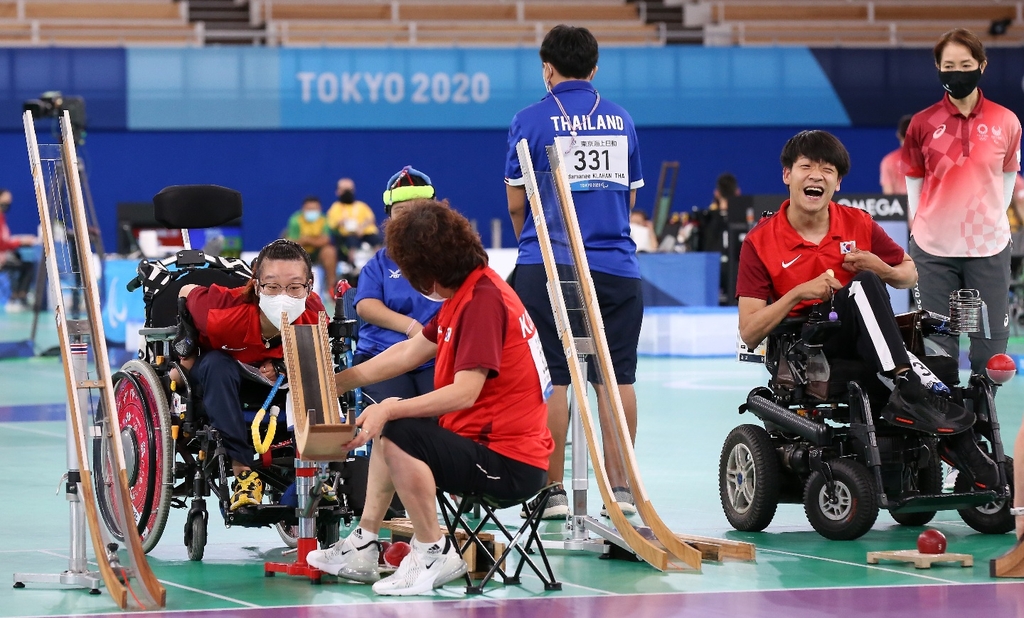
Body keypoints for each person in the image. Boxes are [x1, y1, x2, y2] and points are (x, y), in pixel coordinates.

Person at [306, 201, 553, 596]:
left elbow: (464, 392)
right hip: (486, 449)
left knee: (399, 430)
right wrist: (336, 382)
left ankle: (433, 550)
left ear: (426, 275)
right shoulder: (468, 292)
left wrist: (388, 406)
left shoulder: (483, 303)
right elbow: (408, 352)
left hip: (508, 464)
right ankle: (366, 545)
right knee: (395, 427)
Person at [736, 130, 999, 491]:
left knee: (872, 287)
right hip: (810, 345)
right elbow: (749, 332)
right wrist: (798, 293)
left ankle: (965, 450)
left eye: (827, 170)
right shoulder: (759, 241)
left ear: (838, 182)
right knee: (862, 284)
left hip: (873, 341)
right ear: (787, 175)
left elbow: (908, 275)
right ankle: (907, 384)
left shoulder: (858, 222)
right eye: (806, 167)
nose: (816, 175)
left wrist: (884, 268)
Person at [504, 24, 644, 519]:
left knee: (554, 379)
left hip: (548, 265)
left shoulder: (530, 119)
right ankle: (623, 492)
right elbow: (628, 198)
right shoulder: (621, 120)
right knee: (615, 378)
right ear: (595, 67)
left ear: (547, 68)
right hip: (616, 268)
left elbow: (517, 202)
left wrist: (535, 243)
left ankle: (552, 493)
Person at [902, 28, 1023, 375]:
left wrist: (992, 219)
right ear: (938, 68)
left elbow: (1007, 175)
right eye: (948, 65)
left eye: (965, 64)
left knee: (991, 357)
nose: (956, 72)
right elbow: (914, 178)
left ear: (982, 65)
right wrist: (920, 224)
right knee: (937, 353)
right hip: (934, 249)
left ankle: (984, 419)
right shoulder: (923, 124)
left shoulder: (1006, 121)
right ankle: (944, 424)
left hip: (988, 247)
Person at [175, 239, 326, 510]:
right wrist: (186, 343)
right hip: (221, 379)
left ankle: (315, 471)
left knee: (314, 368)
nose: (284, 295)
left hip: (273, 387)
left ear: (309, 285)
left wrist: (280, 366)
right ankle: (243, 473)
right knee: (216, 364)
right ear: (257, 285)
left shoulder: (313, 314)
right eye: (272, 286)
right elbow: (186, 289)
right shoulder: (221, 311)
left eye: (294, 287)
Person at [353, 166, 443, 404]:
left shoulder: (450, 258)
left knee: (445, 417)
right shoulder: (379, 263)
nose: (410, 218)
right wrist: (412, 327)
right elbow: (365, 305)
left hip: (437, 356)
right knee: (396, 422)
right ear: (389, 217)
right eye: (401, 211)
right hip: (383, 354)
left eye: (419, 210)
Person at [284, 196, 338, 296]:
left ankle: (332, 289)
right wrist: (315, 240)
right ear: (303, 209)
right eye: (309, 209)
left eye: (315, 209)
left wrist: (307, 239)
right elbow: (292, 242)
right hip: (301, 253)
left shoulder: (324, 220)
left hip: (318, 253)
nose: (312, 212)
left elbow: (326, 240)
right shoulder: (295, 220)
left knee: (330, 252)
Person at [0, 189, 39, 313]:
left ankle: (18, 297)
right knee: (25, 266)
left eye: (9, 201)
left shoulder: (2, 217)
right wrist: (21, 241)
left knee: (23, 262)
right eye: (5, 201)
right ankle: (17, 298)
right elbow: (3, 243)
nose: (7, 203)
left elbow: (5, 240)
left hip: (4, 256)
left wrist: (18, 241)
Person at [327, 178, 381, 263]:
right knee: (351, 244)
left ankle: (380, 262)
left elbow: (370, 219)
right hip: (348, 236)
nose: (348, 192)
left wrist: (361, 228)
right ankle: (352, 265)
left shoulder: (361, 205)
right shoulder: (336, 207)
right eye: (345, 190)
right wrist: (341, 222)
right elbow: (332, 224)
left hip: (366, 233)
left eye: (350, 190)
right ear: (338, 191)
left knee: (378, 241)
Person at [879, 115, 912, 195]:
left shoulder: (888, 161)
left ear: (898, 135)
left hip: (898, 206)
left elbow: (889, 196)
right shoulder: (929, 160)